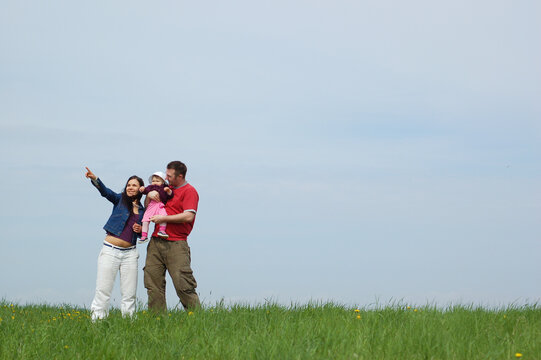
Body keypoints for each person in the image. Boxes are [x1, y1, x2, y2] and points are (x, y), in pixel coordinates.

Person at [85, 167, 145, 320]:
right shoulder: (119, 200)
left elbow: (142, 233)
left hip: (130, 254)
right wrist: (95, 179)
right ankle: (97, 322)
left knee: (129, 293)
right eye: (128, 185)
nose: (130, 187)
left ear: (141, 189)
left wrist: (139, 230)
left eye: (134, 185)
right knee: (103, 291)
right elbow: (106, 192)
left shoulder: (144, 211)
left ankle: (129, 323)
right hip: (110, 251)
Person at [143, 160, 201, 311]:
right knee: (153, 285)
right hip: (156, 242)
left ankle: (198, 320)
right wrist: (149, 195)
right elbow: (148, 208)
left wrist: (163, 219)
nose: (166, 178)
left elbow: (188, 216)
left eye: (169, 176)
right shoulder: (165, 188)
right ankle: (157, 322)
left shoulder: (190, 191)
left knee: (183, 285)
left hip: (176, 244)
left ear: (180, 176)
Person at [138, 171, 173, 242]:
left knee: (163, 216)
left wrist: (168, 191)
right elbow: (146, 190)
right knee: (145, 220)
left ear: (163, 182)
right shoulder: (150, 187)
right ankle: (144, 236)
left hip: (160, 205)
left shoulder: (165, 187)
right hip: (152, 205)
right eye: (153, 181)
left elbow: (170, 196)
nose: (155, 182)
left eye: (157, 181)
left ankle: (162, 231)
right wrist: (142, 189)